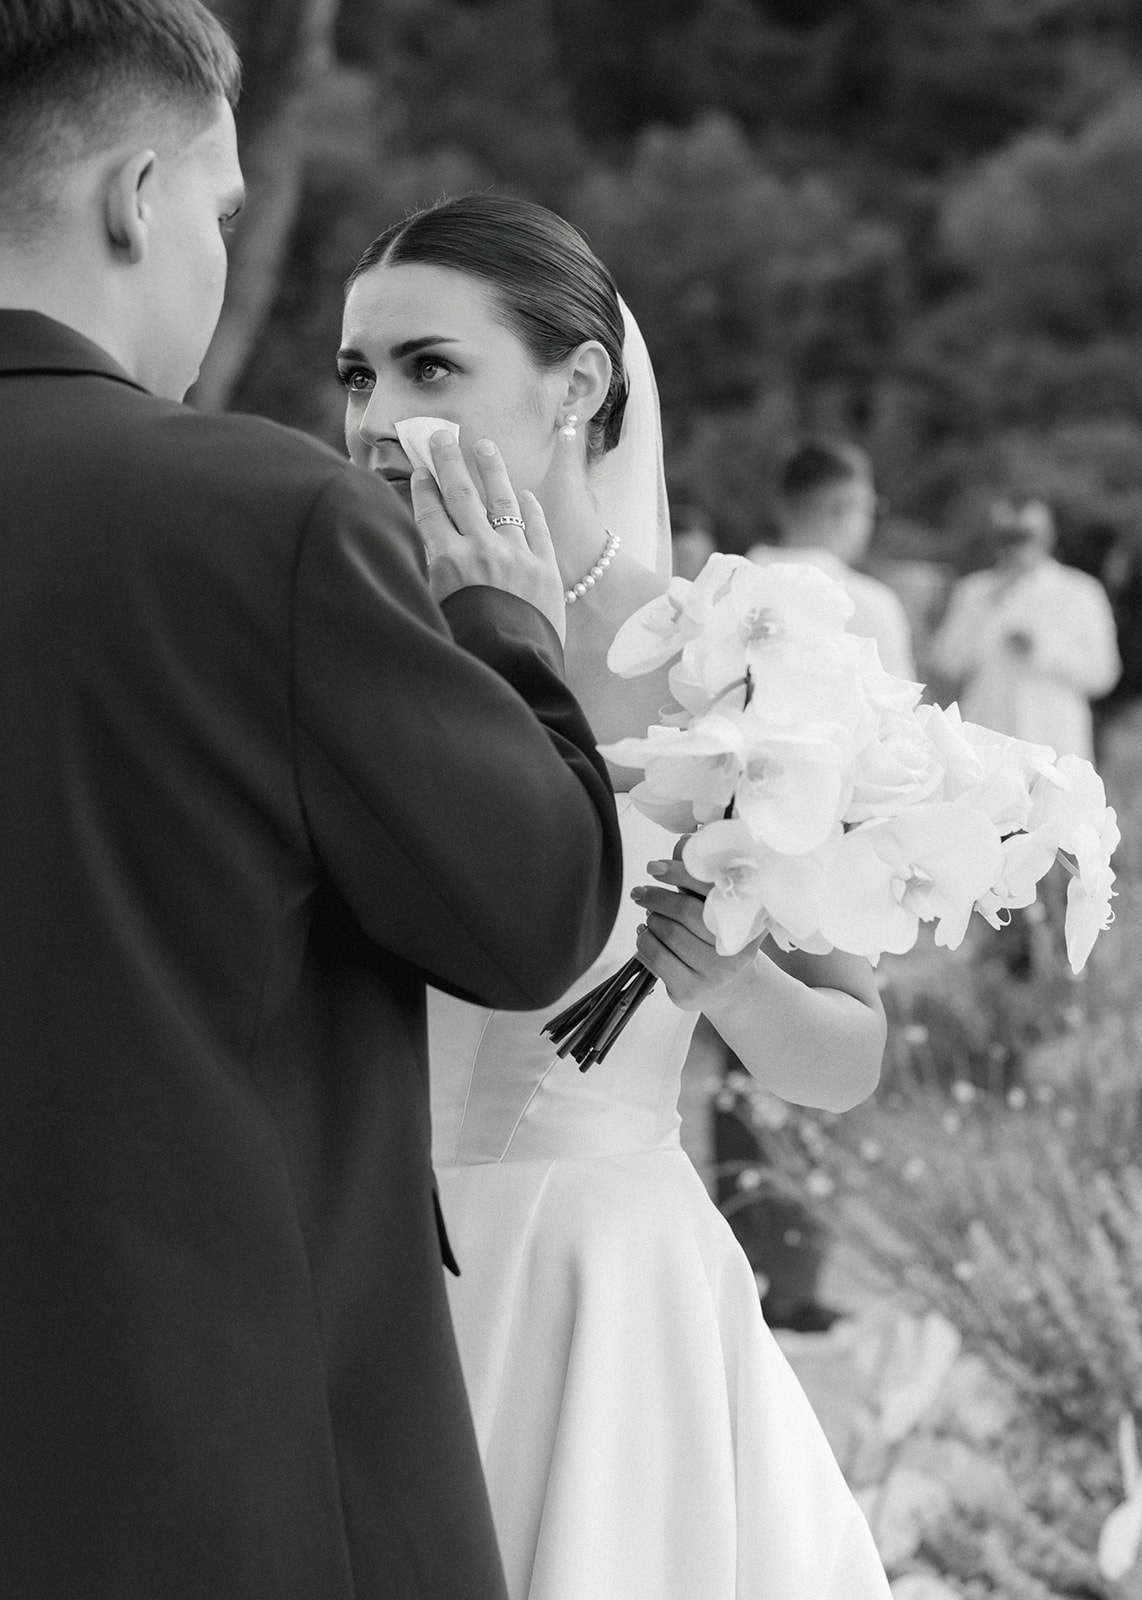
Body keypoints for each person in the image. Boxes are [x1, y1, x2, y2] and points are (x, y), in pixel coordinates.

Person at [0, 8, 624, 1598]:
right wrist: (503, 635)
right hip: (202, 1454)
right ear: (137, 197)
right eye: (222, 208)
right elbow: (529, 914)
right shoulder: (257, 517)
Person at [342, 193, 892, 1600]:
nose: (376, 420)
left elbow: (847, 1061)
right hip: (351, 1275)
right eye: (356, 374)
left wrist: (736, 986)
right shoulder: (329, 633)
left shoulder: (740, 669)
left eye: (428, 367)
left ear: (578, 385)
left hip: (601, 1298)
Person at [930, 495, 1120, 761]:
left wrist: (1042, 649)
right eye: (1006, 536)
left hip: (1054, 742)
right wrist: (990, 611)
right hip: (987, 740)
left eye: (1025, 535)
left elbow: (1103, 674)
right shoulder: (974, 590)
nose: (1015, 546)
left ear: (1049, 536)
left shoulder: (1081, 592)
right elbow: (945, 661)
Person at [749, 436, 917, 680]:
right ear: (842, 509)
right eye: (871, 508)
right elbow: (900, 700)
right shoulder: (871, 606)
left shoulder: (723, 586)